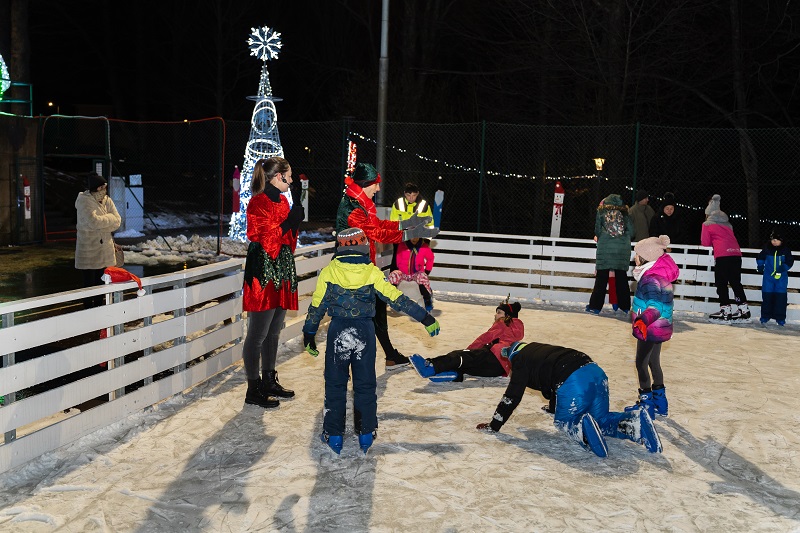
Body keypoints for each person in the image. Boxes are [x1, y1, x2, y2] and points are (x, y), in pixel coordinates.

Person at [302, 227, 441, 455]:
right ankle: (366, 432)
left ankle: (334, 433)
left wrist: (309, 334)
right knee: (365, 384)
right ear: (364, 247)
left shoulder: (329, 272)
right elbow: (397, 299)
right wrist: (424, 317)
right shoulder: (373, 272)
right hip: (364, 331)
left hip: (339, 331)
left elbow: (317, 307)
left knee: (335, 384)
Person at [475, 341, 662, 458]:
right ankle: (635, 423)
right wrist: (551, 407)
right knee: (602, 419)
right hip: (596, 372)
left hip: (573, 379)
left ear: (511, 356)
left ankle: (582, 428)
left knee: (565, 421)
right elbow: (550, 378)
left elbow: (512, 396)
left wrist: (495, 424)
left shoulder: (520, 360)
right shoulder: (537, 349)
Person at [336, 162, 438, 369]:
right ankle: (345, 366)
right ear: (367, 184)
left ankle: (389, 355)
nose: (379, 188)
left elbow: (380, 225)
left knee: (378, 309)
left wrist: (408, 222)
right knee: (353, 319)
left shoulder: (362, 203)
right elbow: (377, 234)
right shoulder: (353, 209)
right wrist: (412, 233)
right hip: (352, 271)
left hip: (364, 266)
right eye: (377, 184)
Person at [241, 156, 304, 410]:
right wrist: (290, 221)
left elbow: (288, 240)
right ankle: (253, 388)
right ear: (278, 176)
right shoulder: (258, 202)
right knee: (258, 333)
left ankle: (269, 379)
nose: (292, 178)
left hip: (282, 267)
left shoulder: (282, 201)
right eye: (289, 174)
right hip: (264, 271)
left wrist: (294, 213)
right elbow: (266, 240)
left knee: (274, 330)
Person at [624, 235, 679, 419]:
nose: (635, 258)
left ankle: (646, 405)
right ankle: (660, 403)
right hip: (661, 327)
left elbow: (655, 306)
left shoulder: (650, 279)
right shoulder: (660, 273)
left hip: (650, 328)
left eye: (637, 255)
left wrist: (642, 321)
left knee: (641, 364)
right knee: (654, 362)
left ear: (645, 257)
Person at [409, 300, 524, 382]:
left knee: (460, 356)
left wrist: (468, 350)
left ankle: (430, 367)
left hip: (494, 356)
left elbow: (485, 338)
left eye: (499, 312)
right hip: (499, 369)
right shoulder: (514, 331)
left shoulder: (503, 323)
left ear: (508, 316)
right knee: (466, 365)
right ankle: (453, 375)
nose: (495, 315)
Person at [75, 172, 122, 309]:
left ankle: (100, 311)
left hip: (105, 250)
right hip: (88, 251)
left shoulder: (107, 200)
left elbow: (118, 221)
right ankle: (89, 312)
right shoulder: (84, 201)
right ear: (94, 188)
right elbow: (93, 222)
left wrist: (105, 222)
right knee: (89, 285)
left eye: (104, 187)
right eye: (100, 188)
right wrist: (109, 220)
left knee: (103, 283)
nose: (103, 190)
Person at [701, 194, 750, 323]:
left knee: (721, 283)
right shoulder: (728, 224)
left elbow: (705, 242)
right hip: (736, 254)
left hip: (723, 256)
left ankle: (725, 310)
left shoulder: (707, 224)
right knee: (735, 282)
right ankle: (743, 309)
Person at [586, 194, 633, 315]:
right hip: (622, 249)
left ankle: (595, 306)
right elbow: (632, 232)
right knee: (621, 278)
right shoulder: (626, 214)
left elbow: (597, 230)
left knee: (601, 279)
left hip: (605, 248)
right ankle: (625, 306)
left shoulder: (601, 212)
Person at [756, 228, 794, 326]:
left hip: (781, 278)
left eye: (777, 240)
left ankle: (780, 317)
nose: (774, 242)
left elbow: (790, 261)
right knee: (767, 297)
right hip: (768, 277)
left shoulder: (785, 250)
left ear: (782, 240)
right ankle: (765, 316)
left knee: (780, 298)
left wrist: (783, 268)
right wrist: (760, 265)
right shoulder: (767, 249)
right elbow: (761, 257)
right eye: (773, 240)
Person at [387, 237, 435, 311]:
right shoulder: (402, 245)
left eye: (416, 237)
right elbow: (398, 258)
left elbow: (430, 258)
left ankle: (427, 299)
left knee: (422, 277)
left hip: (416, 273)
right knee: (394, 275)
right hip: (403, 273)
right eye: (412, 236)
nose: (414, 239)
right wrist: (400, 268)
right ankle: (392, 298)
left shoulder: (424, 247)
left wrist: (427, 271)